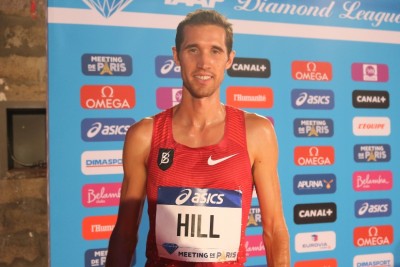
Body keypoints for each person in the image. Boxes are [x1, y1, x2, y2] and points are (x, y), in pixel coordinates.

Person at [106, 9, 290, 267]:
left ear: (229, 59)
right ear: (176, 56)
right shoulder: (144, 135)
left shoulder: (257, 132)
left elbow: (274, 230)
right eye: (193, 49)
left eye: (215, 50)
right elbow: (125, 234)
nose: (204, 62)